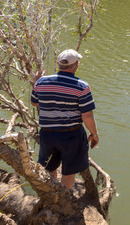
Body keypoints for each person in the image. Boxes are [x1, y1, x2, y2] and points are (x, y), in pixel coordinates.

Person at [31, 49, 100, 189]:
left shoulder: (41, 82)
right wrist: (94, 134)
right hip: (71, 135)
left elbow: (34, 102)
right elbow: (87, 116)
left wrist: (38, 84)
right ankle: (65, 201)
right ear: (76, 65)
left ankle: (52, 195)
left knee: (49, 168)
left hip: (47, 133)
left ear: (58, 64)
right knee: (68, 173)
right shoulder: (82, 86)